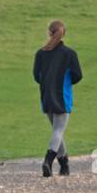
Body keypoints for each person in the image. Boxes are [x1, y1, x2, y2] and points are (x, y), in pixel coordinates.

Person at [32, 19, 82, 177]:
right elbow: (78, 76)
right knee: (58, 131)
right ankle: (48, 161)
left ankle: (64, 165)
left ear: (49, 33)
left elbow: (36, 76)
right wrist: (66, 83)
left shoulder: (40, 53)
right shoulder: (70, 54)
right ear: (63, 33)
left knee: (57, 131)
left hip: (46, 95)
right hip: (62, 96)